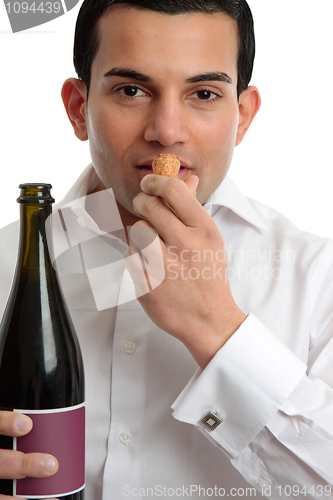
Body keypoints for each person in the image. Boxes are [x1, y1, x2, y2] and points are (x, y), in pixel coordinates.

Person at [0, 0, 333, 499]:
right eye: (131, 90)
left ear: (242, 117)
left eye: (203, 93)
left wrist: (216, 328)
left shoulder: (318, 277)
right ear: (78, 110)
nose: (167, 132)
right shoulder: (7, 263)